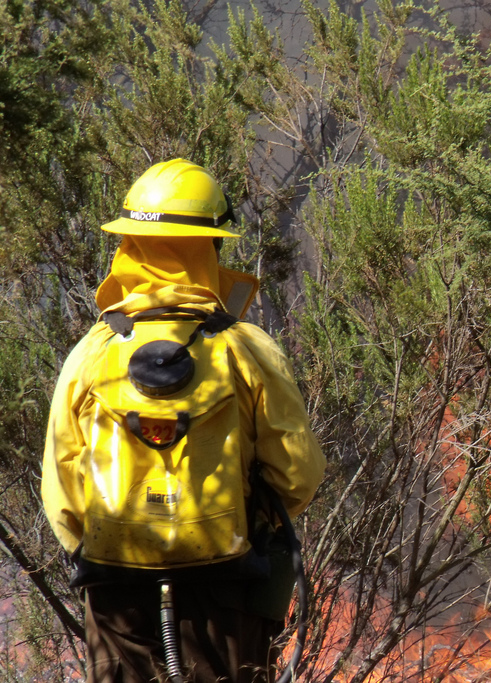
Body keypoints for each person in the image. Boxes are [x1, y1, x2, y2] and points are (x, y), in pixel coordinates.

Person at [41, 158, 326, 683]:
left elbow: (62, 490)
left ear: (129, 246)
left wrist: (109, 546)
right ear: (211, 246)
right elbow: (297, 476)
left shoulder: (92, 351)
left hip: (116, 592)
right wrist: (240, 525)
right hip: (227, 589)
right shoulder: (245, 348)